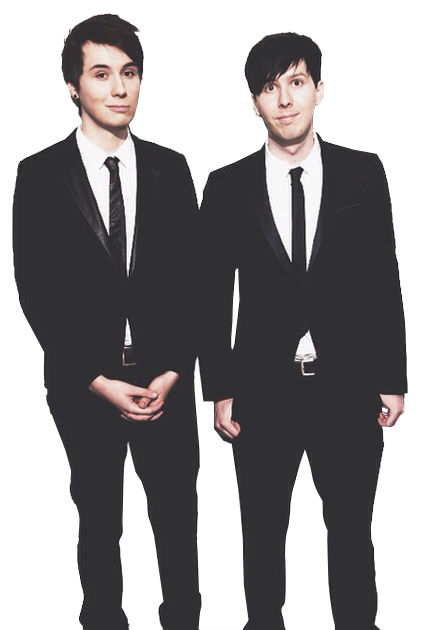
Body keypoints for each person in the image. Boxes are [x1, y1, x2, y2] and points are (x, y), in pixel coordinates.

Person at [199, 31, 407, 630]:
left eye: (296, 82)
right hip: (262, 391)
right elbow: (212, 296)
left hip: (348, 386)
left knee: (351, 534)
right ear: (253, 102)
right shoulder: (226, 185)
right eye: (270, 87)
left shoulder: (363, 173)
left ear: (319, 89)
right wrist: (220, 388)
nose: (285, 99)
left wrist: (392, 377)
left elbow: (382, 279)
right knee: (263, 536)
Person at [13, 13, 201, 630]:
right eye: (101, 74)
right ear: (73, 86)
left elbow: (193, 284)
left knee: (177, 528)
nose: (119, 87)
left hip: (166, 382)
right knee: (98, 525)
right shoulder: (38, 175)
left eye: (129, 72)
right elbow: (37, 292)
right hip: (83, 384)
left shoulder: (173, 168)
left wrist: (172, 372)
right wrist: (95, 380)